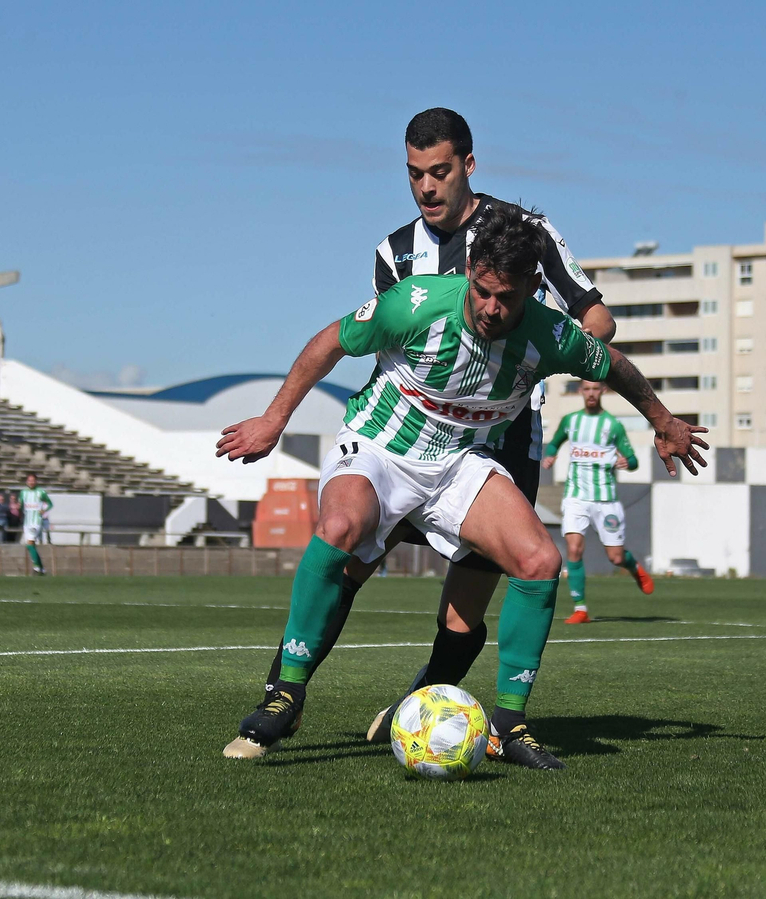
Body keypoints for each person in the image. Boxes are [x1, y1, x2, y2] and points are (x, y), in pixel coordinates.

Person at [215, 204, 707, 769]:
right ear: (469, 270)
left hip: (459, 463)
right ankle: (286, 694)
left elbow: (611, 362)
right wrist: (272, 420)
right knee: (339, 529)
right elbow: (330, 342)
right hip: (381, 448)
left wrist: (662, 420)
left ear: (531, 288)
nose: (493, 309)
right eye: (483, 291)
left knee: (539, 560)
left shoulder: (547, 333)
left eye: (509, 298)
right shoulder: (415, 302)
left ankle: (509, 723)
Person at [247, 108, 620, 747]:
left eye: (439, 173)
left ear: (467, 166)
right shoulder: (395, 253)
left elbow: (596, 319)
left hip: (504, 435)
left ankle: (422, 709)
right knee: (350, 559)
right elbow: (385, 345)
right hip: (408, 436)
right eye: (415, 174)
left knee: (469, 596)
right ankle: (284, 690)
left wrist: (534, 359)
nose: (426, 188)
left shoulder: (526, 233)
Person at [541, 380, 653, 624]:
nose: (591, 393)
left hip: (605, 500)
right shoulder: (571, 421)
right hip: (576, 496)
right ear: (581, 391)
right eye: (587, 389)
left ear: (603, 391)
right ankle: (580, 609)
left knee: (615, 558)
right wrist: (550, 454)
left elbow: (633, 459)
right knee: (573, 549)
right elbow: (554, 441)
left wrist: (628, 462)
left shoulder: (613, 425)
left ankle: (634, 568)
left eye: (595, 389)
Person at [18, 474, 53, 575]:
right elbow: (21, 506)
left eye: (33, 480)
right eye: (29, 480)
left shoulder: (41, 492)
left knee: (29, 545)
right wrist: (18, 507)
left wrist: (44, 510)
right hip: (26, 522)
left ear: (36, 481)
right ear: (26, 481)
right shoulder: (23, 492)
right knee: (31, 545)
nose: (31, 482)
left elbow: (50, 504)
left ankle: (36, 566)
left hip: (36, 522)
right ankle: (42, 569)